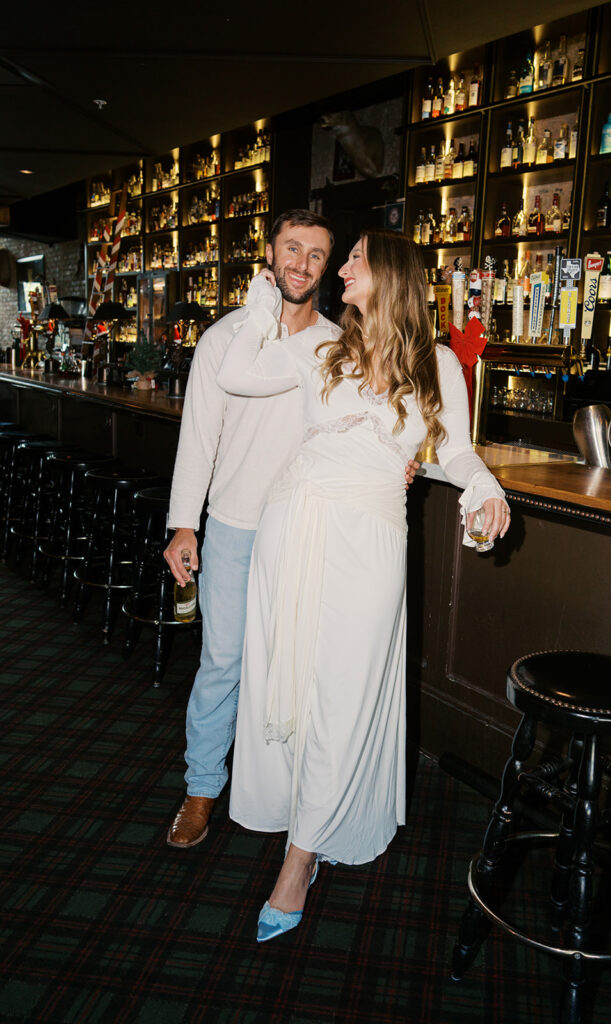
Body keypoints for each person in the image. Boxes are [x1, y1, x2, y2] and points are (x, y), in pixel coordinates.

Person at [216, 229, 510, 941]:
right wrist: (261, 307)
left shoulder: (438, 363)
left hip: (371, 539)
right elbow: (235, 373)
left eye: (353, 258)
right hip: (293, 525)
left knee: (343, 697)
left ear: (391, 274)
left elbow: (456, 450)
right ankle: (301, 826)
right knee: (291, 682)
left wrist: (485, 488)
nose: (340, 268)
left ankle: (299, 860)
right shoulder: (321, 349)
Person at [163, 209, 341, 848]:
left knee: (299, 670)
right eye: (292, 248)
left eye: (316, 254)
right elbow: (198, 439)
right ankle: (202, 788)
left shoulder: (335, 344)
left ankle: (295, 793)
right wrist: (184, 525)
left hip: (304, 531)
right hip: (235, 529)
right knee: (224, 664)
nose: (301, 263)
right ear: (270, 252)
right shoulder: (225, 336)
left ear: (327, 266)